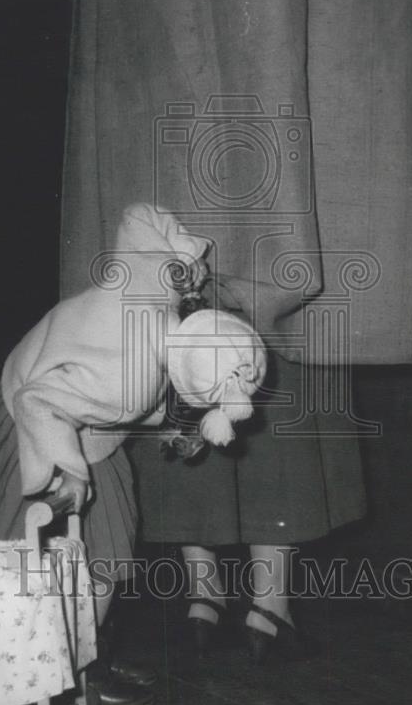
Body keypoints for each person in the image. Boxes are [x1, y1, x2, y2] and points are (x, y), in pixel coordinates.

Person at [0, 203, 265, 705]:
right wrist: (69, 471)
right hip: (34, 423)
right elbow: (45, 400)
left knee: (105, 559)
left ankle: (78, 661)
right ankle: (40, 680)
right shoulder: (132, 371)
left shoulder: (157, 292)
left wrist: (180, 256)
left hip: (84, 423)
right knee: (33, 570)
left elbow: (140, 217)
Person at [133, 269, 367, 665]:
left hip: (177, 280)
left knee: (188, 397)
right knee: (276, 422)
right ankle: (268, 610)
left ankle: (203, 600)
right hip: (271, 280)